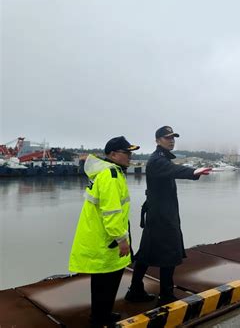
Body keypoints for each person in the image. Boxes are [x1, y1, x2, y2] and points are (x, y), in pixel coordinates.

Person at [125, 126, 211, 304]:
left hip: (158, 213)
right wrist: (193, 172)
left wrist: (192, 173)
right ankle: (165, 295)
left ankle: (135, 290)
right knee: (169, 254)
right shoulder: (158, 160)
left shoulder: (162, 158)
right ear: (157, 140)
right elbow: (174, 170)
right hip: (163, 216)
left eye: (173, 138)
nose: (171, 140)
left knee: (146, 253)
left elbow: (173, 168)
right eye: (167, 138)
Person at [69, 136, 140, 327]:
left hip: (99, 235)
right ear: (113, 154)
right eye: (127, 153)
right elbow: (111, 212)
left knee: (102, 281)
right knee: (107, 281)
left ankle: (101, 314)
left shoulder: (106, 172)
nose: (130, 157)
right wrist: (121, 239)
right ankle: (100, 318)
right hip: (107, 238)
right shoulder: (111, 175)